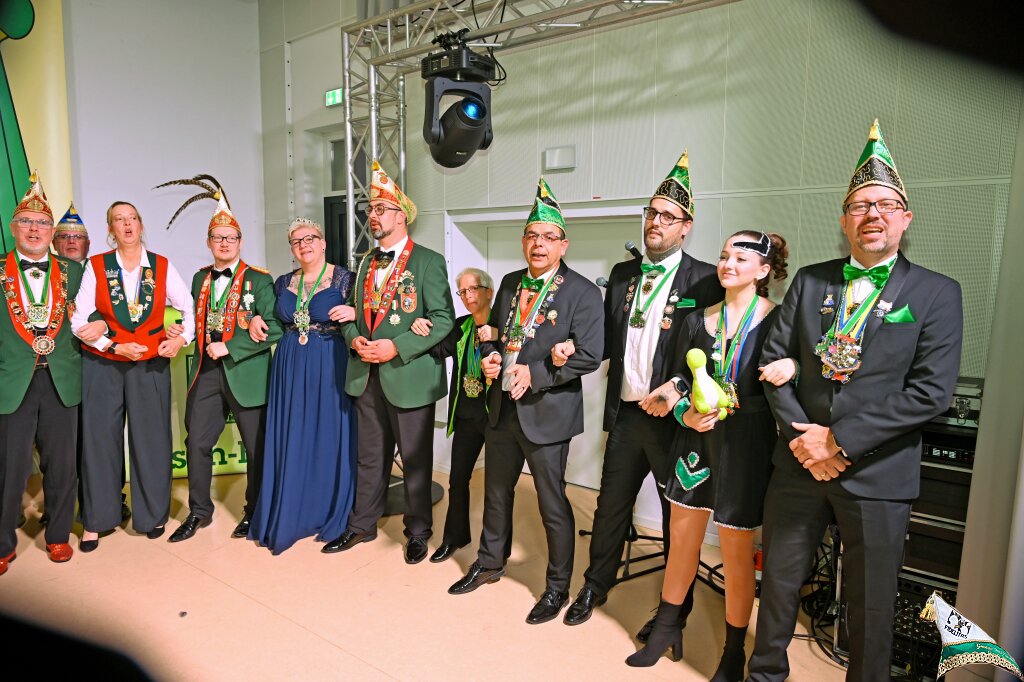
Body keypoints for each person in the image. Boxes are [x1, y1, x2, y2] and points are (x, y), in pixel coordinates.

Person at [747, 120, 963, 681]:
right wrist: (805, 441)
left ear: (905, 219)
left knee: (871, 605)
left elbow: (931, 392)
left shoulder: (937, 293)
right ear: (844, 220)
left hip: (878, 472)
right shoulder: (810, 281)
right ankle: (765, 674)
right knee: (778, 586)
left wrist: (838, 441)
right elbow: (772, 366)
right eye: (861, 205)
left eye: (886, 205)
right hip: (798, 465)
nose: (873, 214)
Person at [561, 150, 723, 633]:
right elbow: (608, 340)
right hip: (628, 416)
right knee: (611, 506)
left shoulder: (706, 279)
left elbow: (717, 352)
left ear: (686, 227)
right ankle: (595, 584)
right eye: (651, 213)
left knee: (678, 518)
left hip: (676, 420)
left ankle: (674, 609)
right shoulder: (623, 275)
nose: (656, 222)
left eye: (668, 216)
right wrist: (569, 344)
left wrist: (679, 386)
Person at [624, 231, 792, 678]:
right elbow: (680, 378)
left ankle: (733, 652)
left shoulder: (779, 320)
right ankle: (665, 631)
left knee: (736, 555)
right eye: (723, 256)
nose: (728, 264)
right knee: (681, 541)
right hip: (697, 441)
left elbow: (787, 385)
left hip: (747, 444)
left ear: (763, 270)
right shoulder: (698, 319)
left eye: (741, 258)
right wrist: (684, 413)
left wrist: (793, 365)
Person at [448, 178, 604, 626]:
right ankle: (489, 562)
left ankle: (557, 587)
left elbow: (590, 355)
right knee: (496, 492)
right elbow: (497, 336)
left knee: (551, 503)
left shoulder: (582, 292)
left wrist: (534, 374)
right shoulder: (511, 283)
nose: (539, 244)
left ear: (563, 245)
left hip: (547, 414)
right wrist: (491, 358)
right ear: (523, 242)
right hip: (502, 409)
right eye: (532, 235)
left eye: (549, 237)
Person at [322, 160, 454, 565]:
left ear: (402, 216)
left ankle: (418, 531)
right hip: (366, 374)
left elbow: (443, 320)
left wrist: (396, 347)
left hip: (409, 375)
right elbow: (354, 314)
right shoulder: (365, 262)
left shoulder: (428, 261)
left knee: (415, 460)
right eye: (370, 210)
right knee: (369, 457)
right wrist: (355, 338)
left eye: (380, 209)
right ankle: (362, 524)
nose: (372, 216)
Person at [158, 182, 281, 542]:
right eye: (218, 238)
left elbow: (275, 328)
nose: (224, 243)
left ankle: (255, 511)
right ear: (208, 242)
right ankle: (199, 511)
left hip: (246, 373)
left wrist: (232, 347)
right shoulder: (200, 277)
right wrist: (180, 331)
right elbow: (194, 320)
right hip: (206, 372)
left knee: (256, 449)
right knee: (197, 443)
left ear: (240, 242)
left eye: (231, 238)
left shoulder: (259, 280)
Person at [72, 201, 194, 550]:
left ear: (141, 225)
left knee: (151, 439)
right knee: (99, 440)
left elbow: (188, 308)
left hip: (149, 362)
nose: (126, 225)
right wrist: (112, 345)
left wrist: (180, 339)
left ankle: (152, 514)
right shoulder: (97, 266)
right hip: (103, 363)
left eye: (132, 218)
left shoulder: (161, 265)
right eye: (118, 220)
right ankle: (97, 520)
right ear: (110, 229)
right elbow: (79, 320)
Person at [245, 218, 357, 554]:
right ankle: (291, 509)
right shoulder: (282, 282)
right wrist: (254, 317)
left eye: (310, 239)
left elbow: (369, 315)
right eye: (296, 241)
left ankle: (324, 509)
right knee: (292, 433)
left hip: (330, 362)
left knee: (327, 434)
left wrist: (354, 313)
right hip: (290, 364)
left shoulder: (346, 279)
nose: (303, 245)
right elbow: (267, 316)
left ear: (323, 243)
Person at [0, 173, 81, 574]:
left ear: (52, 231)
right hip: (11, 380)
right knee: (8, 467)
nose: (35, 229)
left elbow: (95, 316)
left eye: (42, 223)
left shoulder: (74, 272)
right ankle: (2, 543)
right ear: (14, 227)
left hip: (61, 379)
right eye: (27, 222)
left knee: (62, 464)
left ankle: (58, 535)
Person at [410, 267, 502, 563]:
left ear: (489, 292)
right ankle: (455, 537)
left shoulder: (503, 326)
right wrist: (419, 323)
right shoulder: (461, 326)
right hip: (465, 416)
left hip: (495, 417)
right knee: (457, 480)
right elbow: (436, 349)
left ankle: (492, 553)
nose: (467, 296)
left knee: (497, 488)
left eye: (473, 289)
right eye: (462, 291)